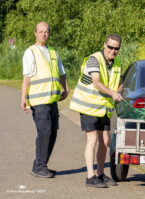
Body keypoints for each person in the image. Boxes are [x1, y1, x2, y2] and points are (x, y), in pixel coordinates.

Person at [70, 34, 123, 188]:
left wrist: (118, 91)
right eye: (110, 47)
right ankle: (90, 176)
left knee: (105, 141)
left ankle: (100, 174)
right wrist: (112, 93)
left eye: (116, 48)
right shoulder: (94, 59)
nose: (113, 51)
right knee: (92, 139)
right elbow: (96, 82)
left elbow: (120, 82)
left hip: (103, 108)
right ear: (104, 45)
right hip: (89, 106)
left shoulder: (117, 62)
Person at [21, 22, 69, 178]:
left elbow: (62, 74)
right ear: (35, 33)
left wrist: (66, 89)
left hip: (52, 101)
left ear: (49, 33)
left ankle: (41, 165)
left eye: (46, 32)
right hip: (39, 101)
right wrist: (23, 98)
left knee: (53, 132)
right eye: (40, 32)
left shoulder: (54, 53)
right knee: (45, 132)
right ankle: (40, 166)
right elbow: (27, 77)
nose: (43, 34)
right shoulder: (30, 52)